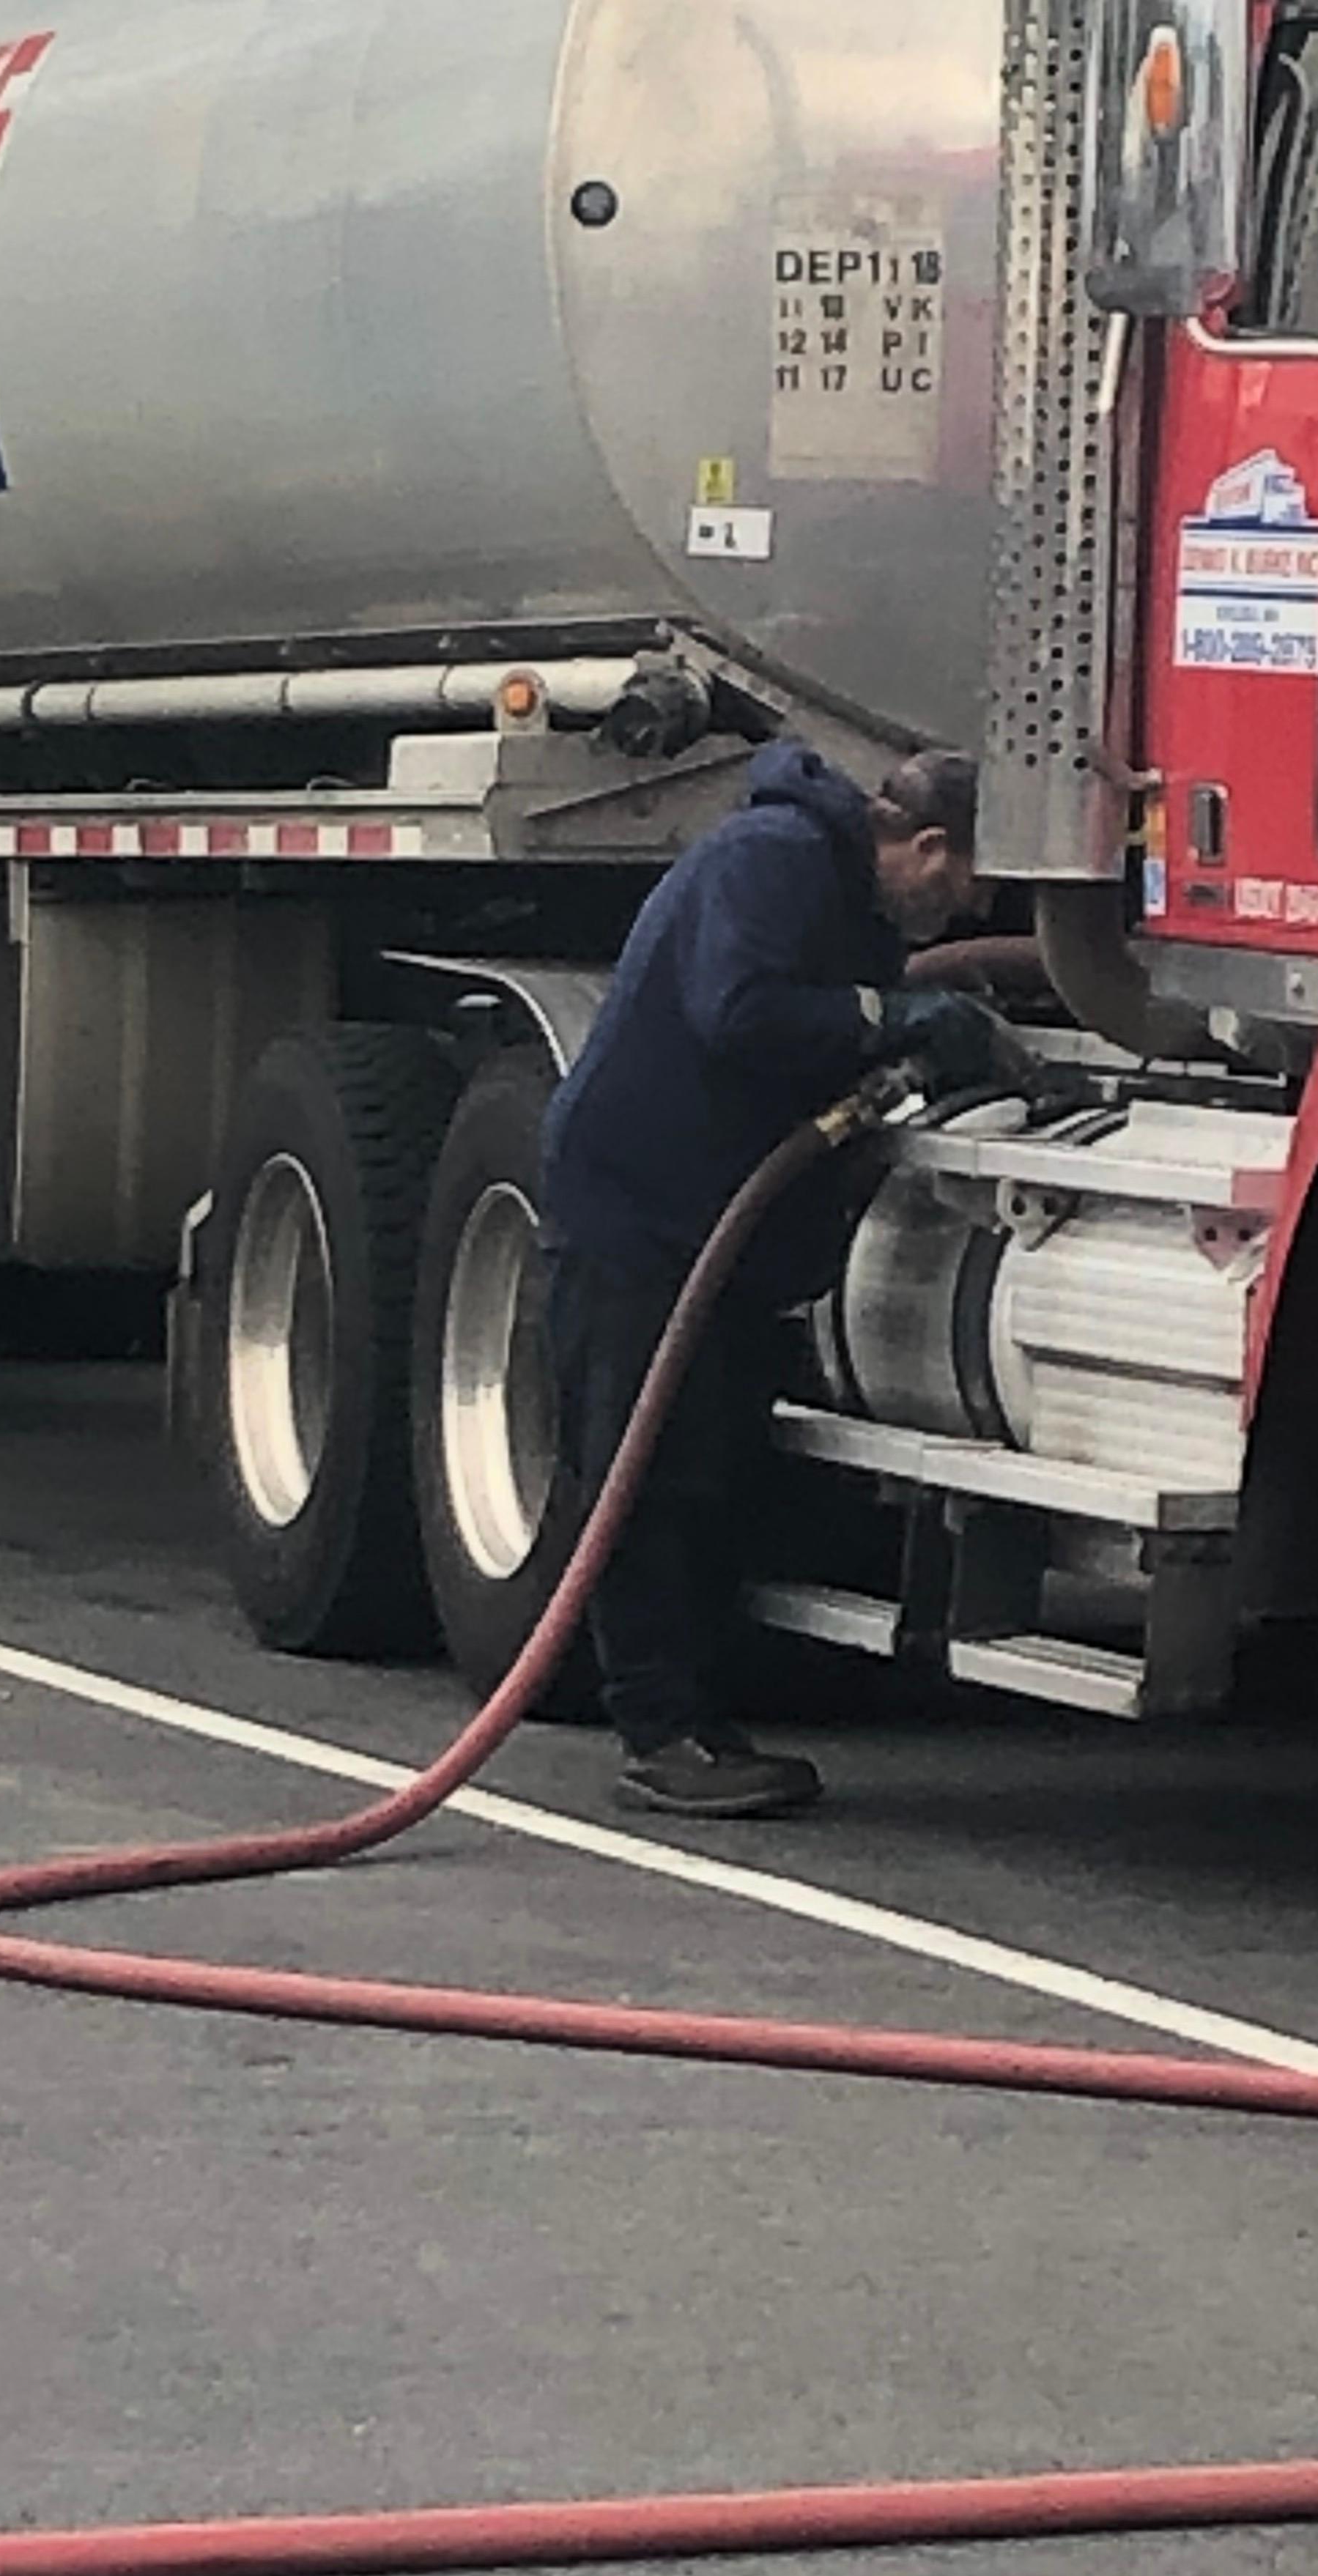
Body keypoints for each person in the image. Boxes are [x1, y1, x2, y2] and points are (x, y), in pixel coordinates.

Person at [541, 740, 1007, 1819]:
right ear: (926, 842)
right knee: (639, 1474)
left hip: (712, 1226)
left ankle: (699, 1721)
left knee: (706, 1468)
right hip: (640, 1211)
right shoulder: (775, 857)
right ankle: (657, 1735)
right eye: (964, 881)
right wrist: (889, 1020)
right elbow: (738, 1011)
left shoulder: (846, 898)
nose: (965, 907)